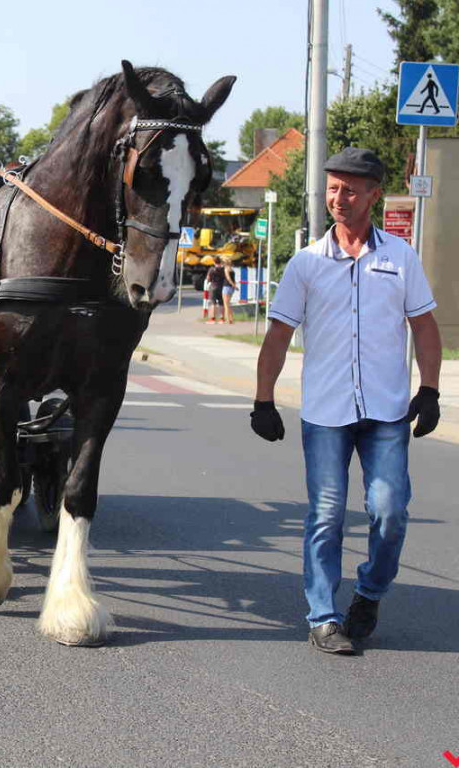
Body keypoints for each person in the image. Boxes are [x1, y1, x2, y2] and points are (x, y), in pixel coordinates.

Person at [251, 147, 442, 655]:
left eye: (350, 189)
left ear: (373, 195)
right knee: (326, 515)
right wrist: (263, 400)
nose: (338, 198)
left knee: (390, 510)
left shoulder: (399, 257)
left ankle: (369, 593)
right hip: (327, 412)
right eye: (333, 188)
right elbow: (277, 335)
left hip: (386, 411)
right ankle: (323, 616)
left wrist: (430, 388)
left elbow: (423, 326)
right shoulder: (307, 263)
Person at [205, 259, 225, 323]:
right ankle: (222, 318)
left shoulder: (211, 269)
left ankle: (212, 318)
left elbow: (208, 278)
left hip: (213, 287)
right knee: (221, 303)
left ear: (214, 262)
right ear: (220, 262)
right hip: (221, 287)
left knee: (213, 303)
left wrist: (208, 281)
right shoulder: (223, 269)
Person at [220, 255, 237, 324]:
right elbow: (233, 279)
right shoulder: (232, 270)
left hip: (226, 287)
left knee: (226, 304)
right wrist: (234, 286)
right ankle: (231, 318)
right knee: (228, 304)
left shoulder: (226, 269)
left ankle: (228, 319)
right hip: (231, 288)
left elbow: (228, 278)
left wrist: (233, 285)